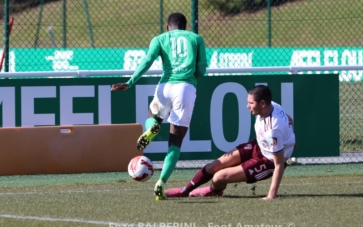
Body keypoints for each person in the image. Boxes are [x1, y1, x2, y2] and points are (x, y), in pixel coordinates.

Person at [111, 12, 207, 200]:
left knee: (152, 116)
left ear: (167, 26)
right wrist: (189, 81)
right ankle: (161, 182)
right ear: (185, 26)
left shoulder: (160, 39)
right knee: (175, 143)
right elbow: (202, 69)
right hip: (185, 87)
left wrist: (130, 82)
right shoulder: (196, 38)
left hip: (165, 85)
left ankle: (152, 128)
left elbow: (147, 60)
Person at [165, 85, 295, 200]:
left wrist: (271, 196)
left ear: (262, 104)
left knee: (218, 177)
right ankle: (185, 191)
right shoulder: (274, 105)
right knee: (213, 166)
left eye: (250, 103)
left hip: (267, 161)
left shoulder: (273, 130)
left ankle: (213, 190)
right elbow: (289, 120)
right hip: (259, 145)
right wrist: (289, 140)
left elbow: (279, 164)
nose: (247, 106)